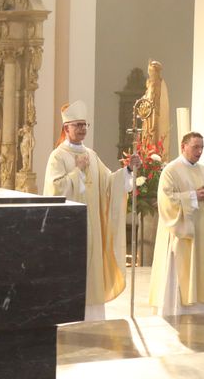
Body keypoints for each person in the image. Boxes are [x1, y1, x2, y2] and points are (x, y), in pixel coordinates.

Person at [42, 101, 136, 320]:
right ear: (66, 128)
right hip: (69, 230)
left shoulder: (91, 155)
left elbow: (109, 183)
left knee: (91, 272)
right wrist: (78, 171)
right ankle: (67, 314)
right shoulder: (58, 156)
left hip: (92, 228)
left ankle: (92, 317)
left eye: (85, 125)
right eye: (78, 125)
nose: (83, 129)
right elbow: (56, 189)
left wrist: (129, 170)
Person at [148, 132, 204, 317]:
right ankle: (177, 309)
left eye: (201, 147)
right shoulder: (171, 170)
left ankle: (203, 309)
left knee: (202, 271)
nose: (199, 151)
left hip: (202, 233)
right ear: (183, 147)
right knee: (182, 270)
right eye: (195, 147)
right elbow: (166, 200)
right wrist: (193, 196)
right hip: (183, 233)